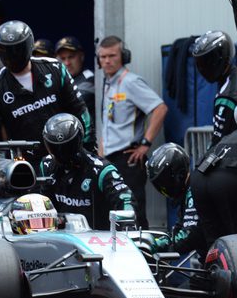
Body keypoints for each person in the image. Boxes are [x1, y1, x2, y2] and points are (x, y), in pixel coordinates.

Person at [0, 20, 91, 170]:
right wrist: (2, 170)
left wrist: (87, 154)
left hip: (68, 160)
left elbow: (82, 114)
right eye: (8, 50)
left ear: (28, 46)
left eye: (17, 49)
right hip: (27, 169)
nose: (13, 55)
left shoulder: (55, 69)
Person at [98, 35, 168, 228]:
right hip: (109, 159)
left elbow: (160, 109)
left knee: (133, 213)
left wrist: (145, 144)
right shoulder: (108, 84)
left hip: (128, 159)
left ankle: (143, 253)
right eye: (103, 57)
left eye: (112, 55)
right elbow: (108, 122)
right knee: (112, 212)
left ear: (123, 56)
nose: (107, 61)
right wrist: (101, 153)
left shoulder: (131, 82)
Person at [39, 113, 131, 230]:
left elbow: (125, 198)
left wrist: (126, 227)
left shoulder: (102, 170)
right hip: (59, 239)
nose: (62, 153)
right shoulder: (46, 166)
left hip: (97, 242)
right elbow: (41, 205)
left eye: (67, 148)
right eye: (56, 148)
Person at [145, 143, 204, 257]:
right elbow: (179, 230)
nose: (162, 187)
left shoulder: (194, 190)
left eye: (164, 182)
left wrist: (153, 245)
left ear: (178, 174)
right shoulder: (187, 191)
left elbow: (189, 236)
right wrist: (153, 243)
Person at [191, 30, 237, 146]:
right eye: (200, 63)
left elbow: (218, 143)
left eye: (207, 62)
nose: (203, 68)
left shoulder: (226, 97)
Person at [55, 36, 96, 146]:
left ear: (81, 56)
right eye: (63, 59)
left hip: (89, 143)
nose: (67, 63)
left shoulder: (91, 78)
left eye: (71, 57)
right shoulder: (57, 82)